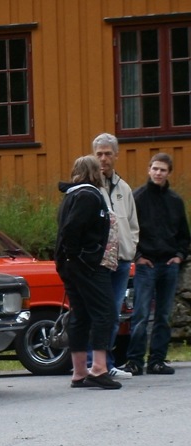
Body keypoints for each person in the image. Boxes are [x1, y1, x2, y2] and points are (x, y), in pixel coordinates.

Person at [55, 155, 121, 390]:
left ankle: (79, 371)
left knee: (80, 315)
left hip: (69, 264)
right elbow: (72, 229)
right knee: (105, 312)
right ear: (94, 172)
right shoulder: (89, 196)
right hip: (86, 265)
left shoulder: (71, 195)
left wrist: (71, 258)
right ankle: (99, 368)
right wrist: (83, 256)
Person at [121, 153, 190, 376]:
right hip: (146, 264)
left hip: (169, 264)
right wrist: (138, 256)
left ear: (169, 173)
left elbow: (184, 234)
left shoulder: (175, 201)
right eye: (155, 168)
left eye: (163, 170)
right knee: (141, 314)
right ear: (149, 169)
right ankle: (134, 361)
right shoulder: (137, 198)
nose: (158, 173)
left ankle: (157, 360)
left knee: (164, 315)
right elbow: (128, 230)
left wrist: (179, 256)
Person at [91, 134, 139, 378]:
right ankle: (94, 363)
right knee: (99, 312)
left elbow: (132, 224)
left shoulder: (124, 188)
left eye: (108, 153)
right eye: (99, 154)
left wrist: (130, 248)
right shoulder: (89, 187)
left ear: (116, 156)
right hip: (99, 262)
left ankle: (106, 363)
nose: (103, 158)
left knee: (113, 314)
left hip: (121, 261)